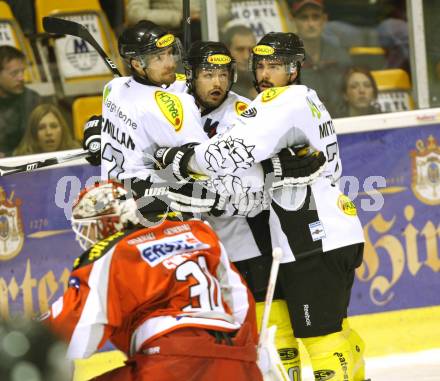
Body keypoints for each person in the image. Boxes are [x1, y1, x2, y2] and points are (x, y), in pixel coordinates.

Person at [154, 32, 369, 381]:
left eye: (275, 66)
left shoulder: (284, 102)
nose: (266, 74)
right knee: (333, 332)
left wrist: (180, 159)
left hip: (313, 238)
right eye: (261, 65)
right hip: (327, 232)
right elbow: (254, 176)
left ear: (295, 69)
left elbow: (232, 152)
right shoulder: (303, 99)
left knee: (321, 341)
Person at [43, 180, 263, 381]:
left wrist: (36, 334)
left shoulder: (111, 253)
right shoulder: (198, 230)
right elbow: (241, 303)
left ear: (108, 224)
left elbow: (75, 337)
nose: (87, 237)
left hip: (171, 365)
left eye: (90, 228)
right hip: (237, 362)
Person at [290, 0, 352, 115]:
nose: (310, 24)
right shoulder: (285, 59)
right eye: (304, 18)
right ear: (294, 21)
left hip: (340, 121)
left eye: (316, 17)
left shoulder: (339, 55)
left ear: (324, 19)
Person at [0, 45, 42, 157]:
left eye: (22, 72)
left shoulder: (33, 99)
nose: (21, 78)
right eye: (14, 73)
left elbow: (39, 143)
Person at [125, 0, 231, 43]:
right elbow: (135, 13)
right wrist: (179, 17)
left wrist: (201, 14)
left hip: (208, 29)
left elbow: (226, 9)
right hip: (167, 34)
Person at [13, 103, 80, 156]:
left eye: (54, 126)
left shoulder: (77, 153)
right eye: (41, 128)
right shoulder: (21, 159)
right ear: (33, 133)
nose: (48, 133)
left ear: (62, 129)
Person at [222, 24, 258, 99]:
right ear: (226, 51)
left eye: (251, 50)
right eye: (240, 49)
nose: (246, 56)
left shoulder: (261, 78)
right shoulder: (217, 82)